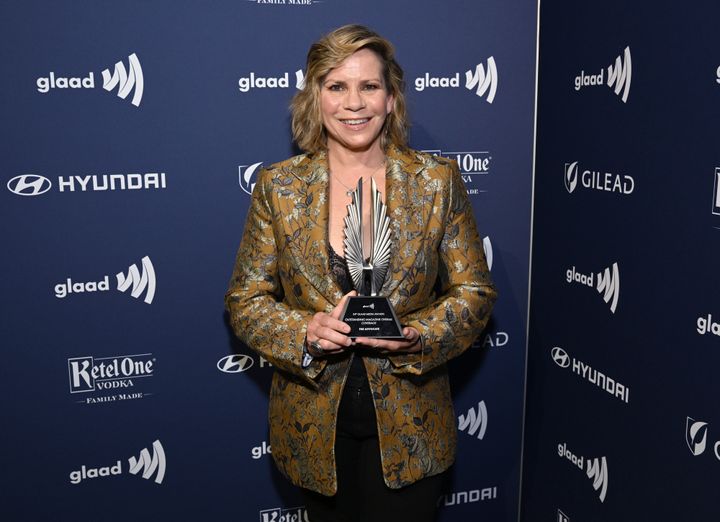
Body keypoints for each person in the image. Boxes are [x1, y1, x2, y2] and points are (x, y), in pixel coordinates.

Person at [225, 24, 496, 522]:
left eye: (369, 86)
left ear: (391, 99)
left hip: (411, 431)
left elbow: (473, 292)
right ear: (316, 97)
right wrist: (303, 331)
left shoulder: (436, 183)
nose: (354, 103)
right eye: (337, 86)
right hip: (312, 432)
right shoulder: (277, 187)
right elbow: (245, 300)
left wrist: (417, 337)